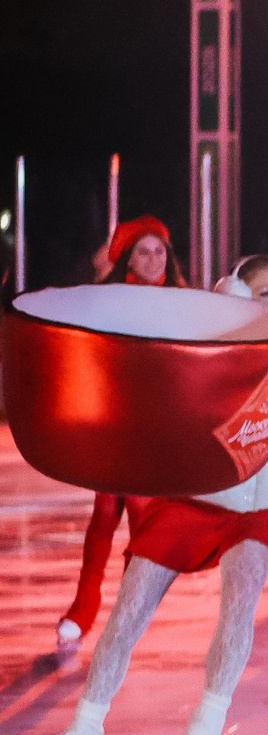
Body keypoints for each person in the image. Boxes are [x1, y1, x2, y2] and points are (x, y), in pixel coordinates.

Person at [27, 256, 268, 735]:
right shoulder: (209, 350)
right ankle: (83, 728)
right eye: (265, 294)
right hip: (189, 501)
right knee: (128, 614)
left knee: (240, 609)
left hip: (257, 512)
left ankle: (208, 720)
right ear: (236, 296)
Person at [55, 216, 190, 651]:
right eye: (143, 251)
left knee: (137, 512)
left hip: (159, 423)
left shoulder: (183, 300)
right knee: (106, 513)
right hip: (116, 417)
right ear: (128, 257)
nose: (153, 259)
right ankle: (86, 608)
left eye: (159, 251)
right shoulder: (110, 297)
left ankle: (107, 611)